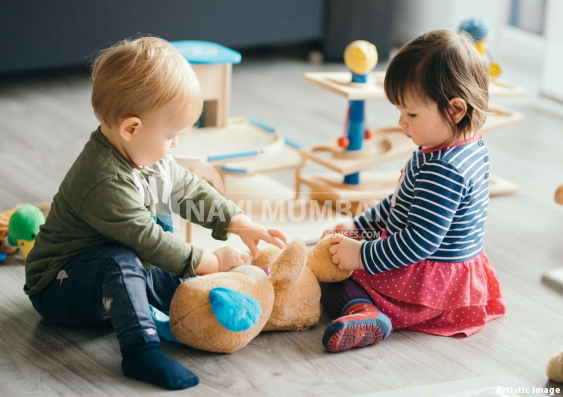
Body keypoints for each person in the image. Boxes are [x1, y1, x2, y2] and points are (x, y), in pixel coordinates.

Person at [24, 36, 287, 390]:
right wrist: (210, 261)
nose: (175, 145)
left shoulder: (150, 156)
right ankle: (141, 350)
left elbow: (188, 190)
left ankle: (191, 305)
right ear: (131, 128)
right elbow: (146, 242)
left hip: (115, 265)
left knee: (159, 217)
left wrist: (238, 222)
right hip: (59, 287)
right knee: (123, 257)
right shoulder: (102, 179)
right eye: (171, 135)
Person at [321, 29, 505, 353]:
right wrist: (359, 225)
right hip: (446, 273)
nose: (401, 123)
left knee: (332, 276)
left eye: (412, 114)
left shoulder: (444, 168)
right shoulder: (459, 145)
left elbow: (418, 242)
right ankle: (366, 302)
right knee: (337, 250)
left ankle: (365, 311)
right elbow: (402, 201)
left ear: (456, 110)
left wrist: (361, 255)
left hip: (428, 282)